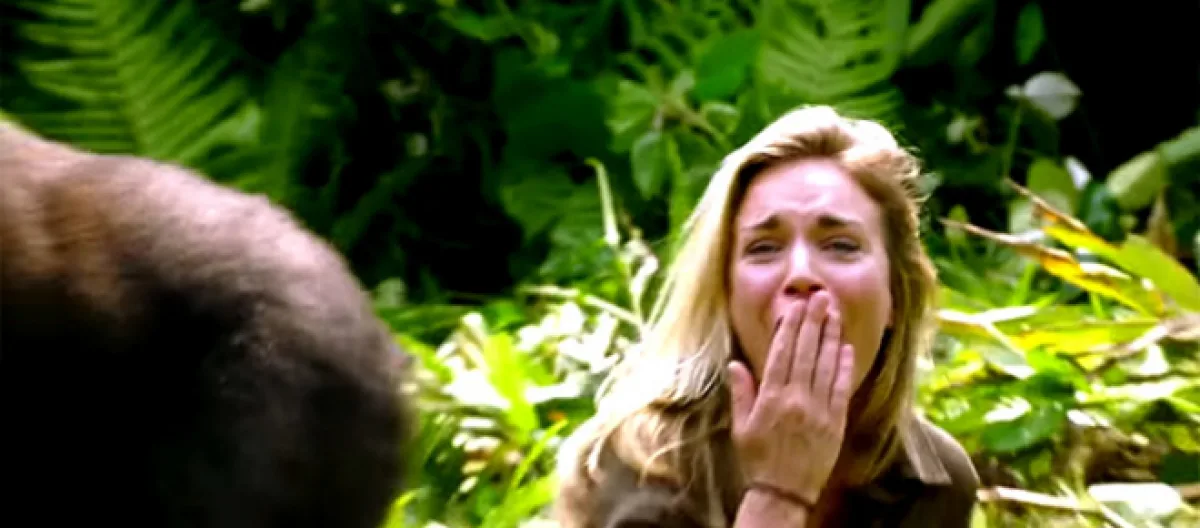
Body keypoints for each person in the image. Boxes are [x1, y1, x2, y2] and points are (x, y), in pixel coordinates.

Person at [553, 105, 980, 527]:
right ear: (727, 295)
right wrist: (780, 492)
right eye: (764, 248)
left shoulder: (935, 483)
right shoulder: (637, 464)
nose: (801, 274)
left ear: (896, 296)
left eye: (841, 245)